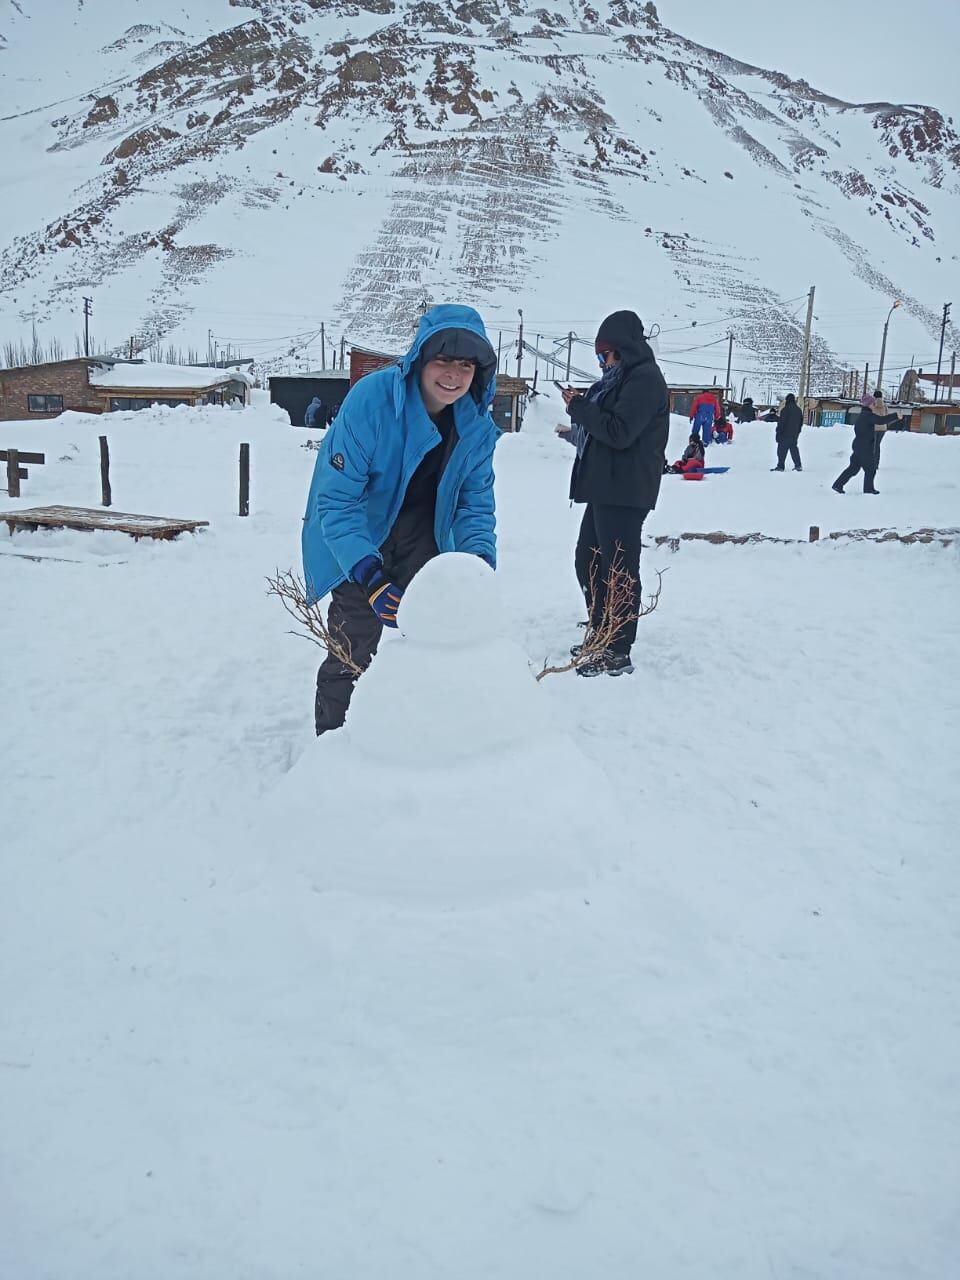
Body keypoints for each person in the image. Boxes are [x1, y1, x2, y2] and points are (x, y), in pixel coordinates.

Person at [302, 304, 499, 733]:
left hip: (426, 541)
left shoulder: (476, 427)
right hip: (362, 539)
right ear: (419, 360)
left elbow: (474, 505)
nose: (453, 375)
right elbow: (337, 502)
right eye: (443, 359)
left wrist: (476, 568)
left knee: (440, 645)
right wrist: (369, 576)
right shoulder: (373, 401)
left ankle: (420, 742)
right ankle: (331, 748)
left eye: (465, 364)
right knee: (351, 649)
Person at [561, 310, 669, 677]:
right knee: (588, 560)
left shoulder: (645, 380)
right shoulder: (619, 380)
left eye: (604, 355)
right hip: (604, 487)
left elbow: (620, 432)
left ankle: (618, 647)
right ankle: (600, 630)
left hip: (626, 488)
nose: (601, 363)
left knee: (619, 569)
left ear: (622, 350)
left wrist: (580, 408)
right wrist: (581, 405)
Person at [832, 394, 901, 495]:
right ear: (868, 405)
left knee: (853, 468)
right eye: (873, 403)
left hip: (859, 446)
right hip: (864, 447)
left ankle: (838, 485)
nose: (875, 405)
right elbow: (881, 420)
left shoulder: (863, 415)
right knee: (870, 469)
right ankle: (868, 490)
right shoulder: (868, 416)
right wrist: (895, 416)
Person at [772, 393, 803, 471]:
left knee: (781, 450)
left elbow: (781, 422)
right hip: (794, 435)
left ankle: (780, 466)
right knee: (794, 449)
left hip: (785, 434)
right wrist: (797, 432)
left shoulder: (785, 410)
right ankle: (798, 465)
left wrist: (778, 432)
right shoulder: (799, 410)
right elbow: (800, 423)